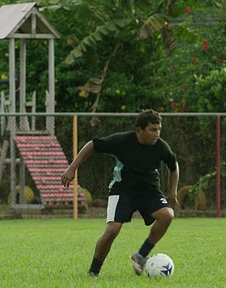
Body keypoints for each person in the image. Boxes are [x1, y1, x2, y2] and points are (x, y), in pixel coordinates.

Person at [61, 109, 179, 276]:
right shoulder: (122, 141)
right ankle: (93, 272)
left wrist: (172, 192)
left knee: (167, 215)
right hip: (122, 191)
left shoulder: (161, 147)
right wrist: (72, 168)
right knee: (112, 230)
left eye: (159, 129)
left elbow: (174, 167)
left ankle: (141, 256)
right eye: (153, 129)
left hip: (149, 191)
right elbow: (92, 145)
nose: (157, 134)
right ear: (139, 130)